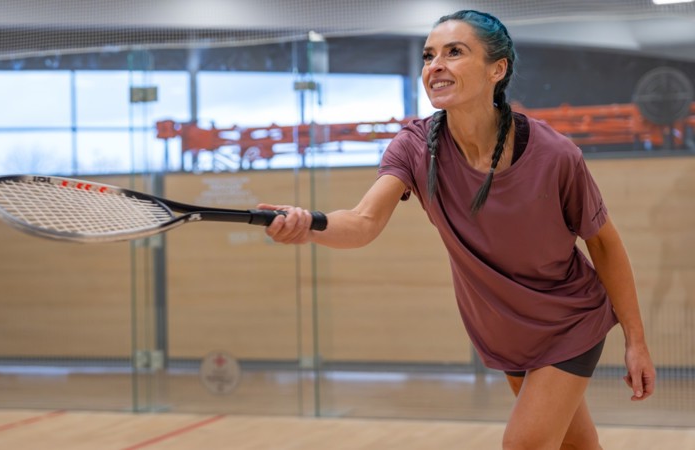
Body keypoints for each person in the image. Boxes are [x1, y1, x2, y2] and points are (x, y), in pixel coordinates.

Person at [258, 9, 656, 450]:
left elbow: (604, 243)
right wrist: (308, 225)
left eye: (454, 52)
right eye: (429, 56)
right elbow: (364, 222)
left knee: (523, 445)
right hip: (504, 331)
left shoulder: (555, 155)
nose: (435, 65)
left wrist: (635, 341)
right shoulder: (413, 146)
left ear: (497, 69)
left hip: (568, 322)